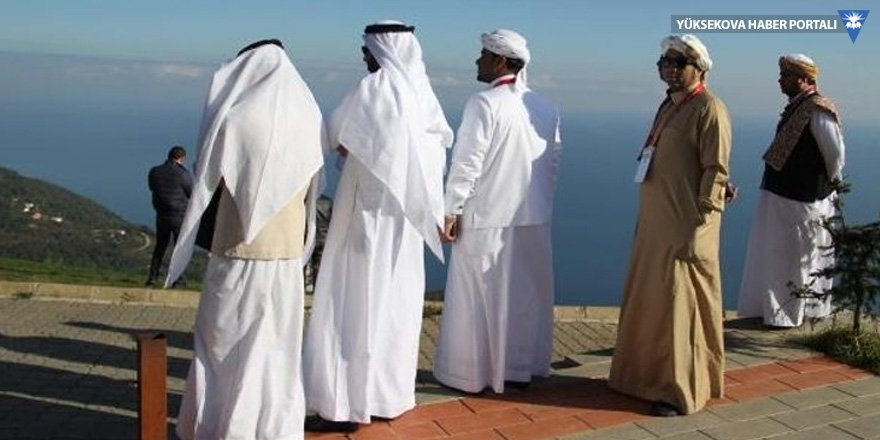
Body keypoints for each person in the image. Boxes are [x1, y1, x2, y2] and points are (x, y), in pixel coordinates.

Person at [165, 39, 326, 440]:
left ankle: (219, 427)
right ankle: (273, 429)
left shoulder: (237, 115)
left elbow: (209, 176)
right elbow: (315, 184)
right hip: (286, 252)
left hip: (238, 248)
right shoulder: (308, 111)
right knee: (276, 347)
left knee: (221, 343)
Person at [302, 21, 452, 432]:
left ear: (382, 49)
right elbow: (438, 150)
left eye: (367, 47)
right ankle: (389, 396)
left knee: (354, 303)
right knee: (395, 306)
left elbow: (331, 135)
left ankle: (347, 403)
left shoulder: (373, 89)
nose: (363, 54)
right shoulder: (424, 94)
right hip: (406, 226)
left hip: (366, 219)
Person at [608, 34, 732, 417]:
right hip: (655, 223)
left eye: (678, 63)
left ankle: (679, 391)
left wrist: (701, 228)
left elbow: (716, 169)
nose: (669, 69)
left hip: (685, 225)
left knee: (681, 306)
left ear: (699, 69)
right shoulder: (669, 105)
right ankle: (638, 379)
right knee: (652, 301)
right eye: (665, 62)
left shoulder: (709, 109)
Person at [432, 29, 562, 394]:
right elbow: (553, 164)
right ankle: (519, 368)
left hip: (487, 218)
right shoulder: (546, 107)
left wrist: (451, 210)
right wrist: (540, 205)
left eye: (484, 55)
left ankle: (470, 375)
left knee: (476, 297)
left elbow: (467, 162)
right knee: (524, 298)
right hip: (533, 218)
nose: (478, 61)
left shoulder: (483, 103)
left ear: (500, 61)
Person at [737, 54, 845, 328]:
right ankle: (776, 312)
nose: (780, 80)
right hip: (782, 193)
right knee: (777, 251)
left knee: (798, 254)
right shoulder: (797, 107)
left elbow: (834, 153)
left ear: (804, 79)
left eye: (786, 75)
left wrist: (830, 184)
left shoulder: (819, 109)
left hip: (804, 197)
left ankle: (793, 313)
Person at [145, 145, 192, 287]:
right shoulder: (183, 174)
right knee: (179, 247)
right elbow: (190, 192)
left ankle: (152, 277)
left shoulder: (155, 171)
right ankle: (177, 279)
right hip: (179, 215)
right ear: (181, 158)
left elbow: (152, 187)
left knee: (160, 246)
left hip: (162, 214)